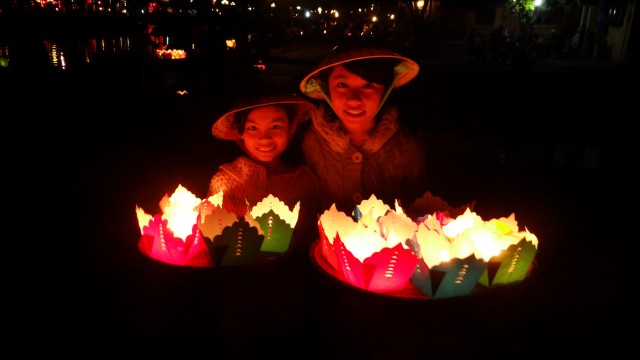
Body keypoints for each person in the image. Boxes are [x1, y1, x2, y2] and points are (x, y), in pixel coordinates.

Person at [299, 43, 428, 213]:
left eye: (368, 85)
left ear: (385, 90)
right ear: (325, 87)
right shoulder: (313, 143)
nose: (354, 100)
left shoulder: (406, 148)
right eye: (342, 85)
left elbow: (418, 210)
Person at [207, 92, 319, 218]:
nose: (265, 138)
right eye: (253, 128)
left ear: (290, 129)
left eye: (275, 126)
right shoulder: (224, 184)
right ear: (240, 132)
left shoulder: (304, 181)